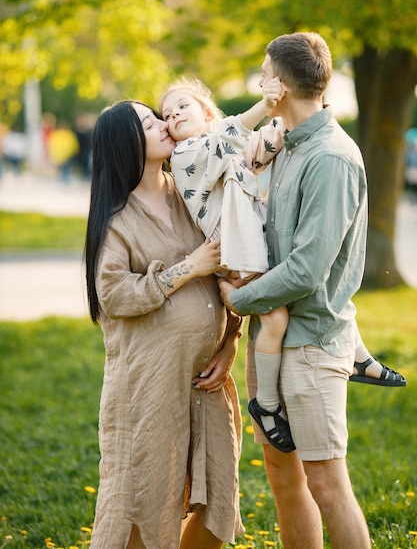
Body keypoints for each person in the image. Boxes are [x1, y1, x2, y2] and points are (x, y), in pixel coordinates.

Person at [217, 32, 399, 548]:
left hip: (312, 342)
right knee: (283, 478)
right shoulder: (287, 144)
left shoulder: (331, 157)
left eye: (262, 72)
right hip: (271, 336)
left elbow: (306, 270)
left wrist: (238, 301)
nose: (257, 81)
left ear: (278, 84)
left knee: (326, 483)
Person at [84, 100, 244, 549]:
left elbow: (232, 269)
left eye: (159, 116)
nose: (164, 123)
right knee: (143, 504)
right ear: (125, 144)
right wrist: (187, 268)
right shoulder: (117, 217)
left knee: (218, 501)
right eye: (148, 122)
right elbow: (114, 294)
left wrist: (230, 342)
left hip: (205, 383)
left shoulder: (191, 192)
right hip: (149, 389)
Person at [160, 77, 295, 453]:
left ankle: (355, 354)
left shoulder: (222, 147)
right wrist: (265, 104)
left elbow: (261, 145)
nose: (173, 116)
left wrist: (299, 112)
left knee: (296, 300)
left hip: (252, 247)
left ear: (205, 110)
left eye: (181, 107)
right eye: (167, 116)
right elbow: (231, 135)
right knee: (277, 318)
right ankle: (266, 405)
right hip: (235, 254)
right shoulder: (187, 155)